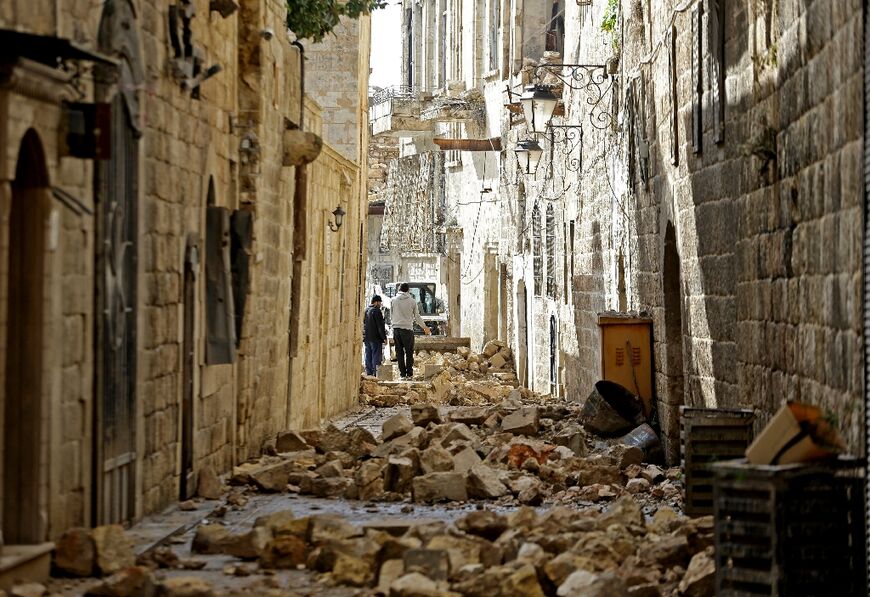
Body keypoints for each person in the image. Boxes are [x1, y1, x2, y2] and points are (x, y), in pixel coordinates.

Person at [390, 282, 431, 378]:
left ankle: (402, 374)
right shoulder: (412, 301)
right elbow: (417, 317)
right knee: (409, 352)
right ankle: (409, 374)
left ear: (399, 290)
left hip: (396, 329)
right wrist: (425, 327)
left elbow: (391, 315)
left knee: (399, 353)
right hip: (407, 329)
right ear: (408, 290)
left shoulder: (393, 300)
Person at [363, 295, 387, 376]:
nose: (380, 304)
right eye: (380, 302)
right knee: (376, 356)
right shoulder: (377, 311)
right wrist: (384, 338)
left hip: (367, 338)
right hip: (376, 338)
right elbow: (380, 326)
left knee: (368, 355)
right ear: (376, 302)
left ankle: (369, 373)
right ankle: (375, 374)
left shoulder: (366, 310)